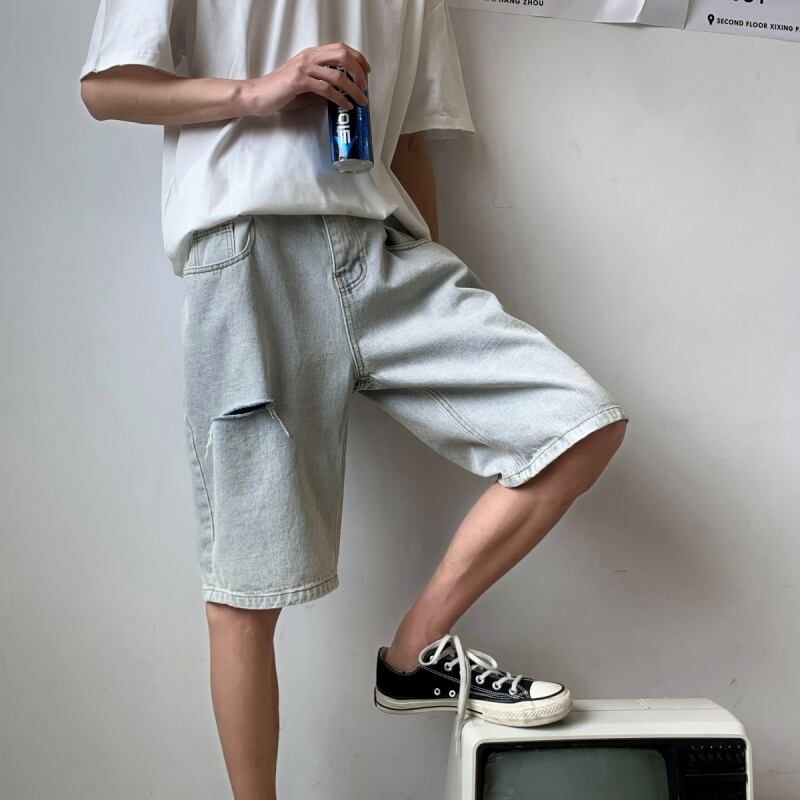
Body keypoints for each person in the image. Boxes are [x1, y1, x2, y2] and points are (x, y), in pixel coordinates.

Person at [79, 0, 629, 796]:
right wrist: (256, 93)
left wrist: (434, 274)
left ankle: (413, 658)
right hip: (250, 253)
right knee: (244, 588)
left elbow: (408, 141)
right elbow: (105, 87)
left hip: (385, 253)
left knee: (579, 427)